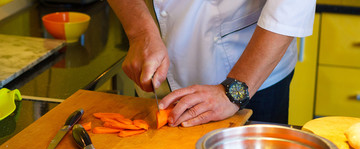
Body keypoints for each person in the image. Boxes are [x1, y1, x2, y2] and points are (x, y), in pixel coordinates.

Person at [107, 0, 316, 126]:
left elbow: (291, 5)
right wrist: (139, 31)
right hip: (156, 66)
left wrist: (233, 91)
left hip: (252, 74)